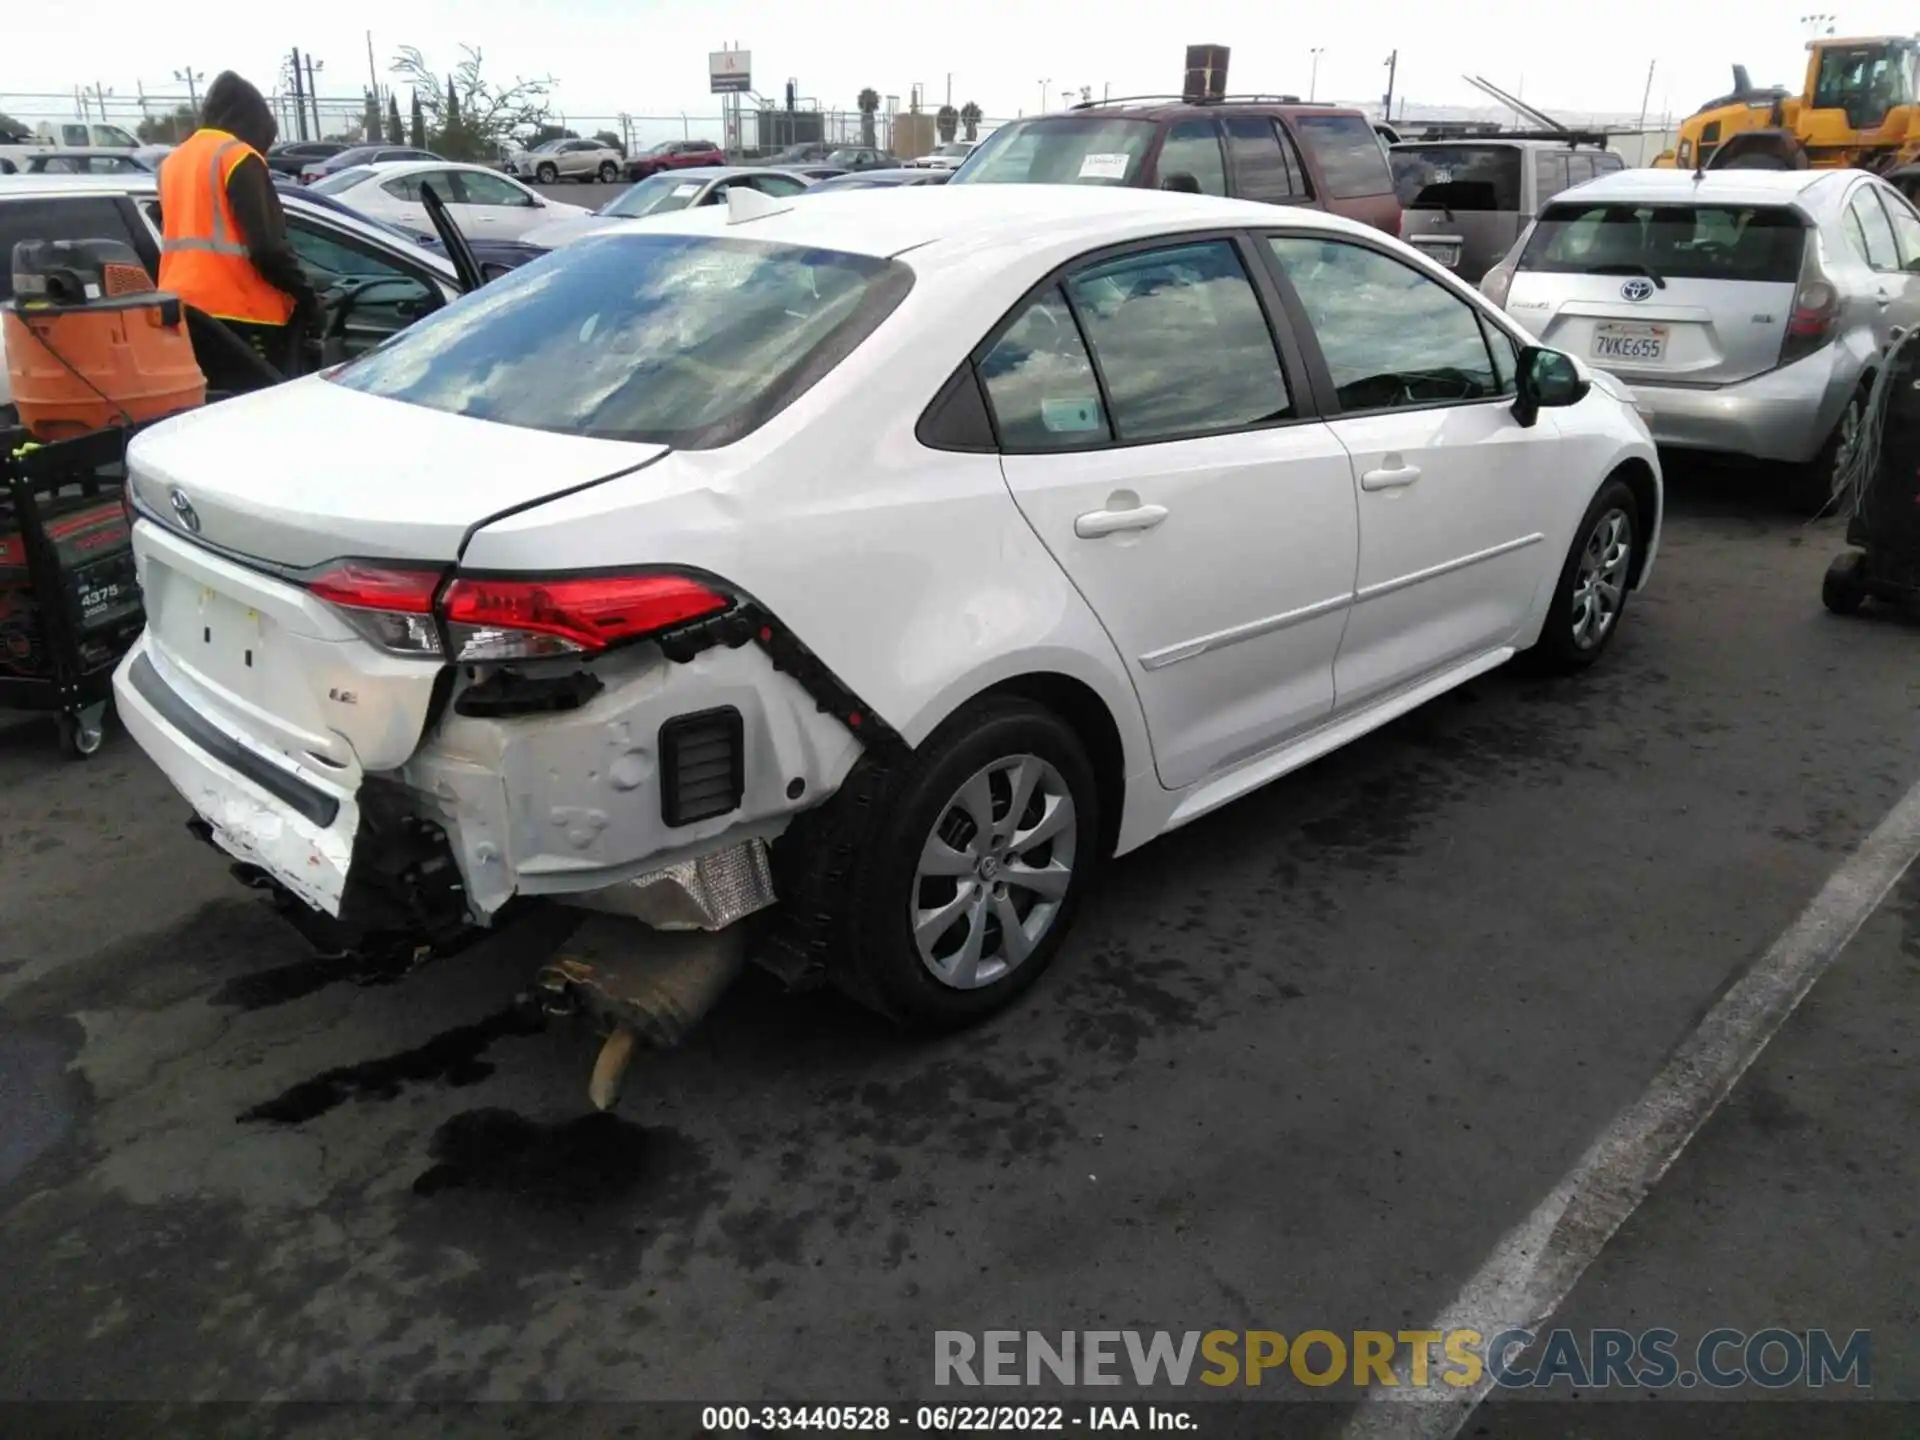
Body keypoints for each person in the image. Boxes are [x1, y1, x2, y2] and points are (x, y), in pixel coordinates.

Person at [155, 71, 318, 376]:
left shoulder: (172, 163)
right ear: (253, 124)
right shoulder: (238, 156)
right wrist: (307, 297)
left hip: (182, 312)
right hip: (244, 316)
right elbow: (268, 249)